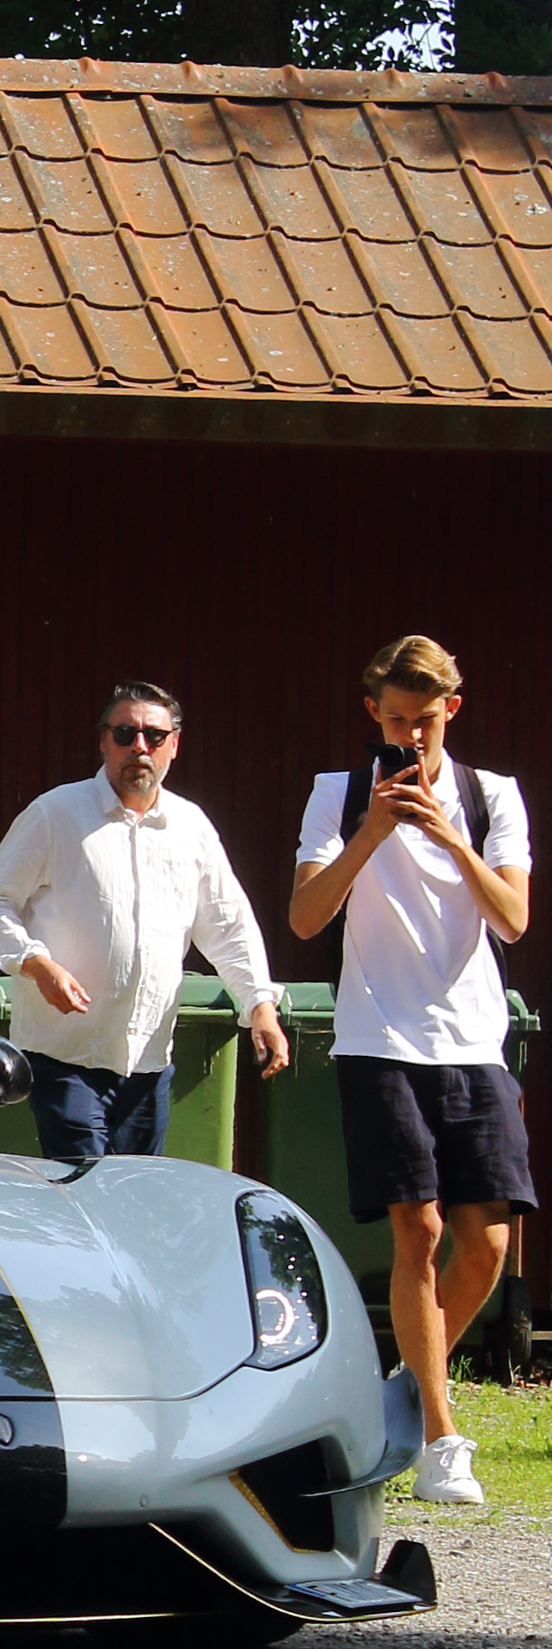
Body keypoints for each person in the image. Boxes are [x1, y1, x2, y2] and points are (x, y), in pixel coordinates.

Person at [290, 631, 533, 1511]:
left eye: (423, 720)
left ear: (450, 711)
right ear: (372, 715)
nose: (410, 735)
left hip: (470, 1040)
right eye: (393, 720)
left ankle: (400, 1384)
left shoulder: (490, 794)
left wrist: (448, 834)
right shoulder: (336, 793)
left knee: (491, 1242)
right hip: (378, 1037)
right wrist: (370, 831)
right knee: (418, 1232)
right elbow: (308, 916)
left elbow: (511, 920)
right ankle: (439, 1435)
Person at [0, 680, 288, 1164]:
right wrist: (35, 962)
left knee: (131, 1202)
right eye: (125, 733)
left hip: (148, 1062)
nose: (140, 746)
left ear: (174, 745)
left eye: (155, 736)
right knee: (88, 1193)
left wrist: (259, 1005)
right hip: (66, 1056)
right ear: (103, 741)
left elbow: (228, 924)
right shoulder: (55, 814)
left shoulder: (190, 826)